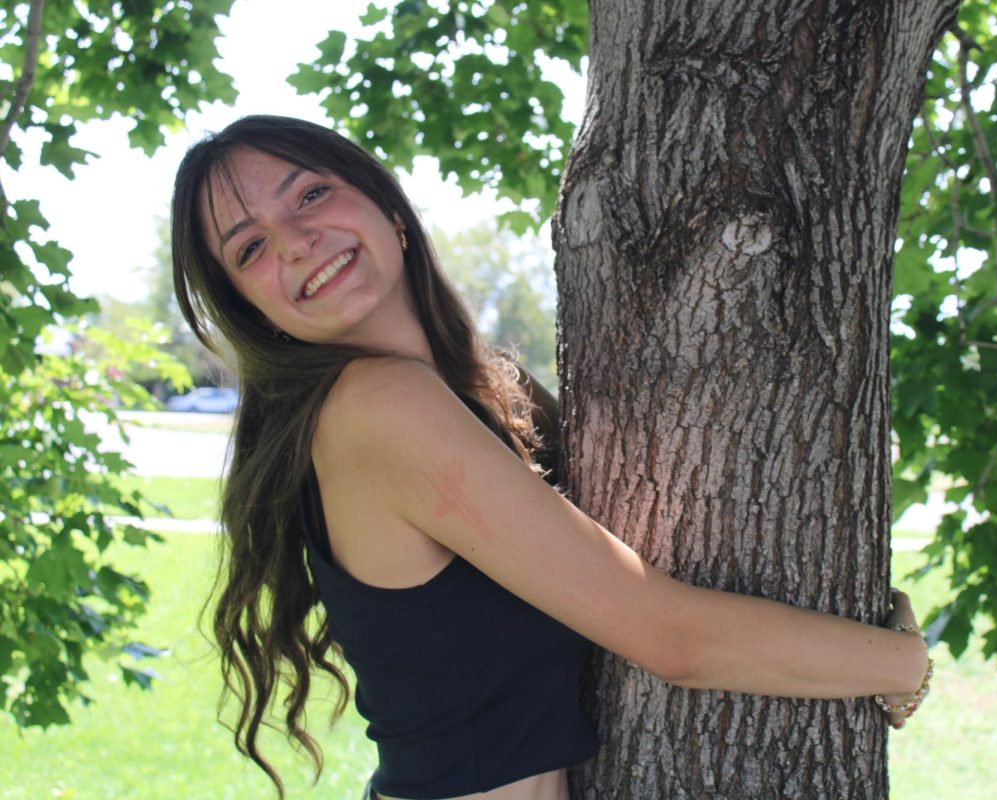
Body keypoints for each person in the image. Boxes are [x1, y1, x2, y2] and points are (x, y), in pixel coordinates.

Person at [170, 115, 932, 800]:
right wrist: (900, 665)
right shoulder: (375, 408)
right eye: (250, 248)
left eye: (309, 196)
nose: (296, 242)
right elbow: (667, 635)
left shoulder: (475, 384)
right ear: (252, 309)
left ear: (387, 207)